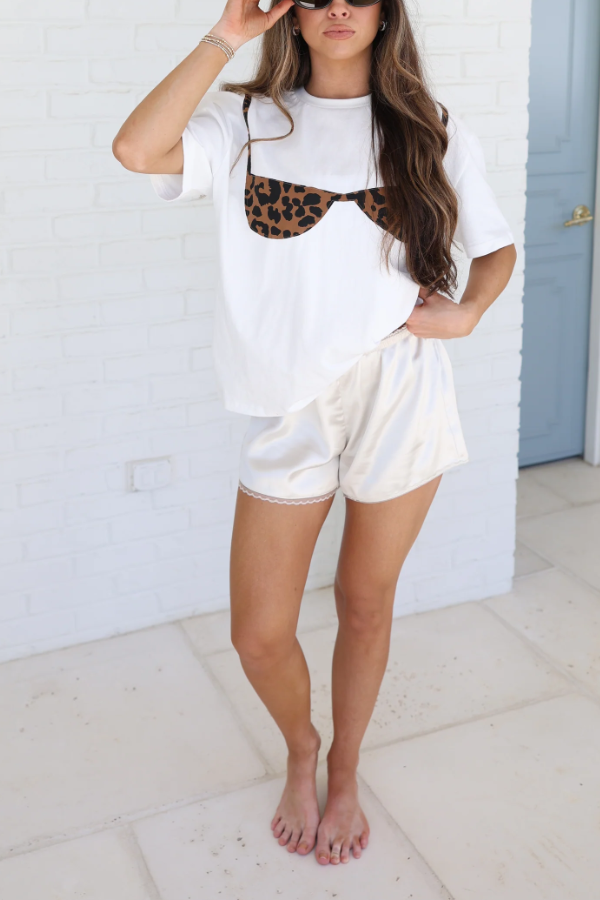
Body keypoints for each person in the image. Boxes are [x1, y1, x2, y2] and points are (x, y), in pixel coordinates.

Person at [113, 0, 517, 867]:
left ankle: (345, 768)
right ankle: (302, 746)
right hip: (288, 403)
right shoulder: (246, 122)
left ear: (384, 14)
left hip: (400, 388)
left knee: (365, 603)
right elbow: (137, 150)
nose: (339, 6)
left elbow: (495, 248)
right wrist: (227, 36)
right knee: (259, 633)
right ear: (289, 15)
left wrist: (469, 312)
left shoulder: (429, 128)